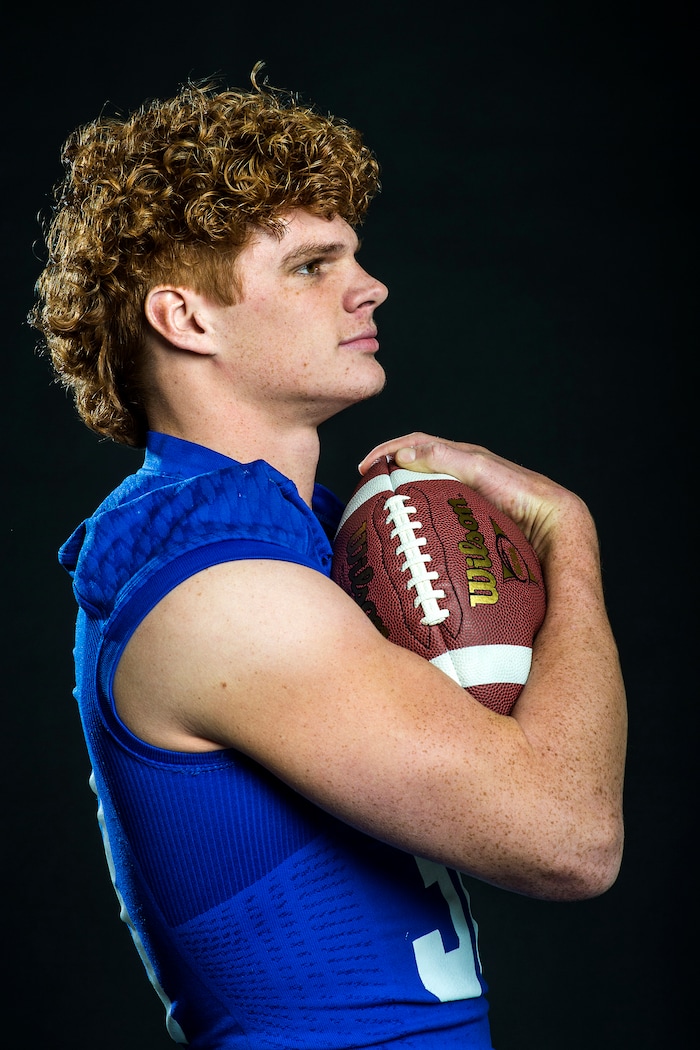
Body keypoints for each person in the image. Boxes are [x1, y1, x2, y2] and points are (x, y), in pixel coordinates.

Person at [29, 65, 627, 1049]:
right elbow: (569, 839)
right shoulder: (217, 575)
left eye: (352, 254)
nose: (369, 284)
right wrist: (570, 537)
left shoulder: (303, 531)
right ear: (184, 318)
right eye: (312, 265)